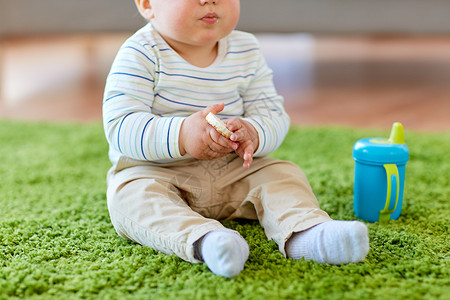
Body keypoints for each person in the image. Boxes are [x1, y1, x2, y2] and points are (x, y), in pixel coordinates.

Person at [103, 0, 369, 278]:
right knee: (128, 197)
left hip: (233, 170)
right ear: (147, 4)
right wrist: (182, 135)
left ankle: (307, 232)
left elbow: (272, 113)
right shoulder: (140, 52)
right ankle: (207, 241)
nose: (210, 1)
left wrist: (253, 132)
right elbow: (120, 126)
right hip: (158, 171)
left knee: (281, 173)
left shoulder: (245, 49)